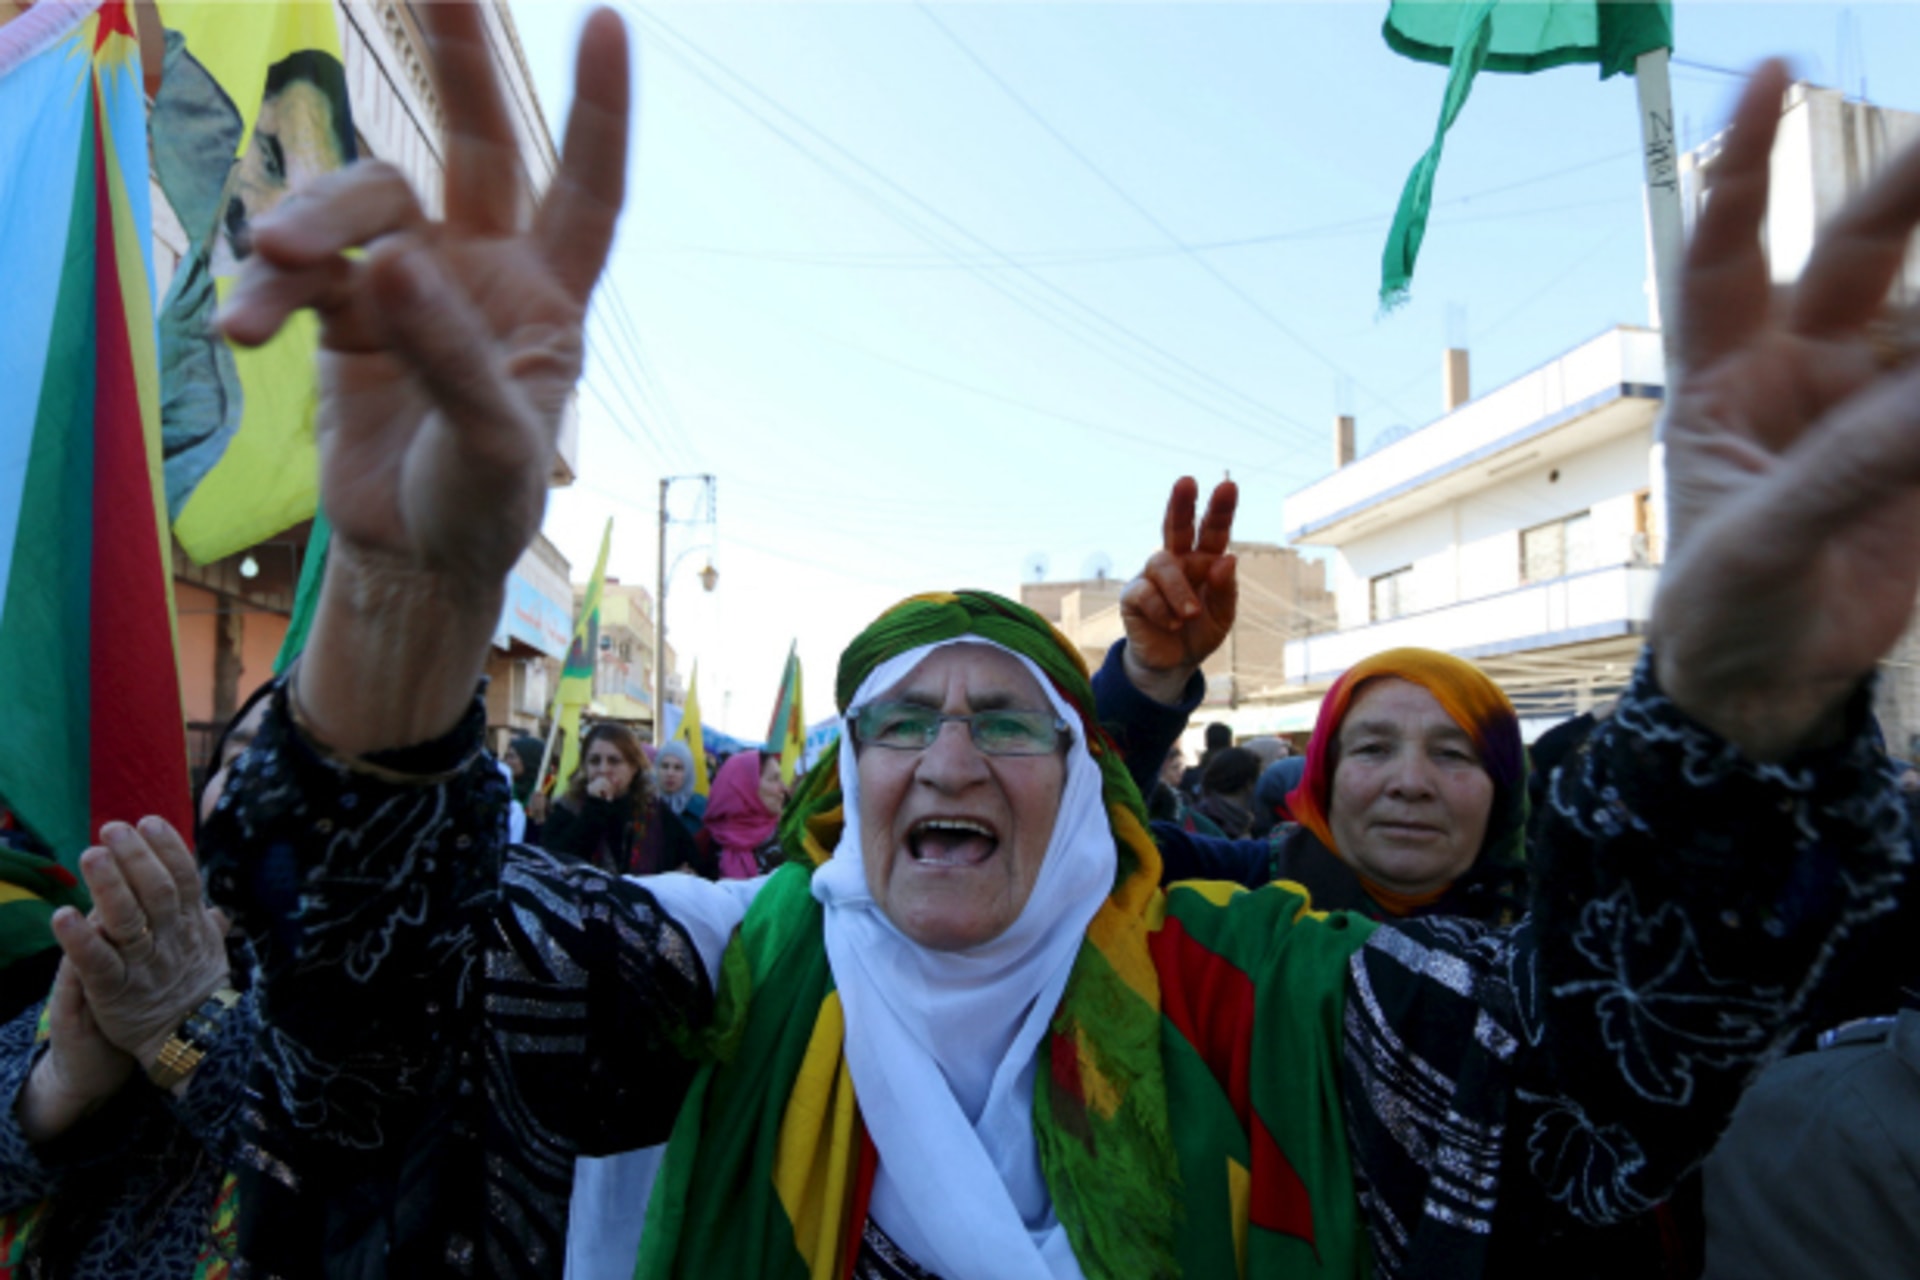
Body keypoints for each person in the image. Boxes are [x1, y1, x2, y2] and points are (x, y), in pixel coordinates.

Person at [187, 18, 1920, 1278]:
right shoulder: (706, 976)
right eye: (902, 725)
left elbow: (1595, 1107)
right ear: (837, 785)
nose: (947, 760)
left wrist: (1738, 719)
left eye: (1009, 722)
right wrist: (409, 609)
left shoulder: (1288, 999)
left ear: (1090, 793)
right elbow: (367, 1005)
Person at [0, 695, 262, 1275]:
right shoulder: (139, 943)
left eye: (305, 759)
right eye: (240, 753)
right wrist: (59, 1085)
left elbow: (362, 1192)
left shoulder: (463, 985)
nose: (254, 777)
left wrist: (188, 1031)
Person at [543, 722, 712, 878]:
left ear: (633, 767)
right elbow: (553, 863)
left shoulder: (653, 812)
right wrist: (595, 808)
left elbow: (695, 865)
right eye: (594, 761)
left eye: (614, 761)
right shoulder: (568, 808)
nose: (603, 770)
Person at [698, 750, 786, 879]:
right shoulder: (704, 844)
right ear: (745, 786)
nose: (783, 788)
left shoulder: (790, 838)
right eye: (774, 779)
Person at [652, 739, 707, 836]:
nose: (670, 773)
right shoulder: (645, 805)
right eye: (665, 766)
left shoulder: (702, 809)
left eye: (678, 768)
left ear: (688, 773)